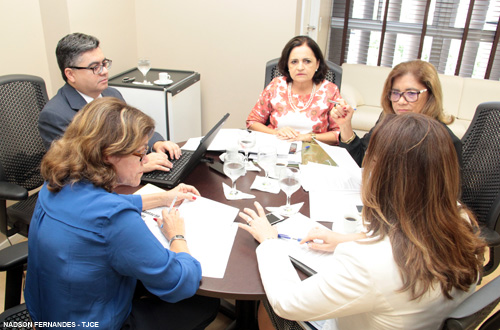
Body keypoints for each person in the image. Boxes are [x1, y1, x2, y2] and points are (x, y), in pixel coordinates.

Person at [238, 113, 485, 330]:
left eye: (370, 160)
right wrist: (346, 238)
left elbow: (287, 303)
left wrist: (269, 241)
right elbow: (411, 237)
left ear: (383, 177)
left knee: (268, 303)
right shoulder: (460, 218)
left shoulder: (368, 263)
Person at [25, 97, 220, 330]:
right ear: (109, 155)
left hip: (47, 315)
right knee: (203, 303)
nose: (145, 160)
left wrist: (163, 197)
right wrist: (177, 237)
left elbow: (93, 206)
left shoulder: (56, 180)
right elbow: (181, 282)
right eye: (140, 154)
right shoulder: (116, 220)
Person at [38, 32, 180, 173]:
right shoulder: (55, 115)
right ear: (70, 74)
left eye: (104, 64)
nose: (104, 71)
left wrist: (156, 143)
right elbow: (78, 169)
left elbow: (133, 130)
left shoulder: (111, 94)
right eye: (95, 67)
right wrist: (140, 166)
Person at [331, 59, 462, 167]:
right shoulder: (388, 118)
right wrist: (345, 125)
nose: (401, 101)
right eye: (395, 93)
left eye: (411, 93)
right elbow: (359, 161)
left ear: (430, 95)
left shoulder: (444, 141)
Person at [246, 35, 350, 144]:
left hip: (314, 152)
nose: (300, 67)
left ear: (317, 64)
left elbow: (339, 134)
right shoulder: (276, 85)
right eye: (294, 62)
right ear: (287, 65)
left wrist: (307, 137)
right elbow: (252, 122)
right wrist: (276, 133)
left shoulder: (330, 90)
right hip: (276, 149)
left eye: (307, 61)